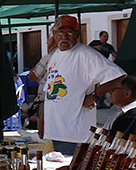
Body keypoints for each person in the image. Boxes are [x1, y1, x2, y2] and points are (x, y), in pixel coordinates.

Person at [33, 16, 124, 154]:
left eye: (69, 32)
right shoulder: (56, 55)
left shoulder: (86, 54)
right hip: (54, 131)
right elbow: (49, 93)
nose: (64, 36)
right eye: (60, 32)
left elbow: (118, 75)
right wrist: (43, 122)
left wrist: (94, 96)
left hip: (74, 134)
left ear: (77, 34)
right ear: (54, 34)